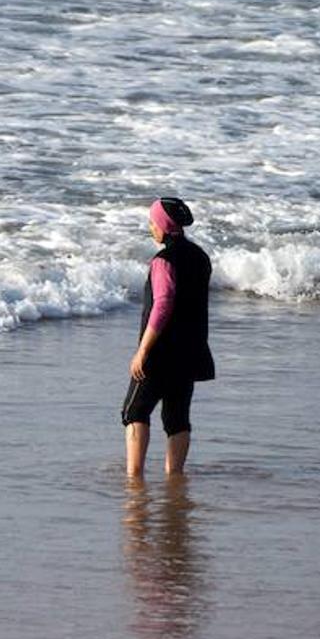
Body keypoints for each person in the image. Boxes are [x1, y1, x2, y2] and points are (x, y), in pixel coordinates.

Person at [122, 197, 214, 477]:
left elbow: (163, 305)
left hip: (161, 353)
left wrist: (142, 351)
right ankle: (175, 478)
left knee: (134, 411)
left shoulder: (163, 261)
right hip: (191, 350)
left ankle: (134, 478)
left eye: (153, 221)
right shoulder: (200, 257)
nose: (150, 227)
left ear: (163, 225)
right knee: (177, 419)